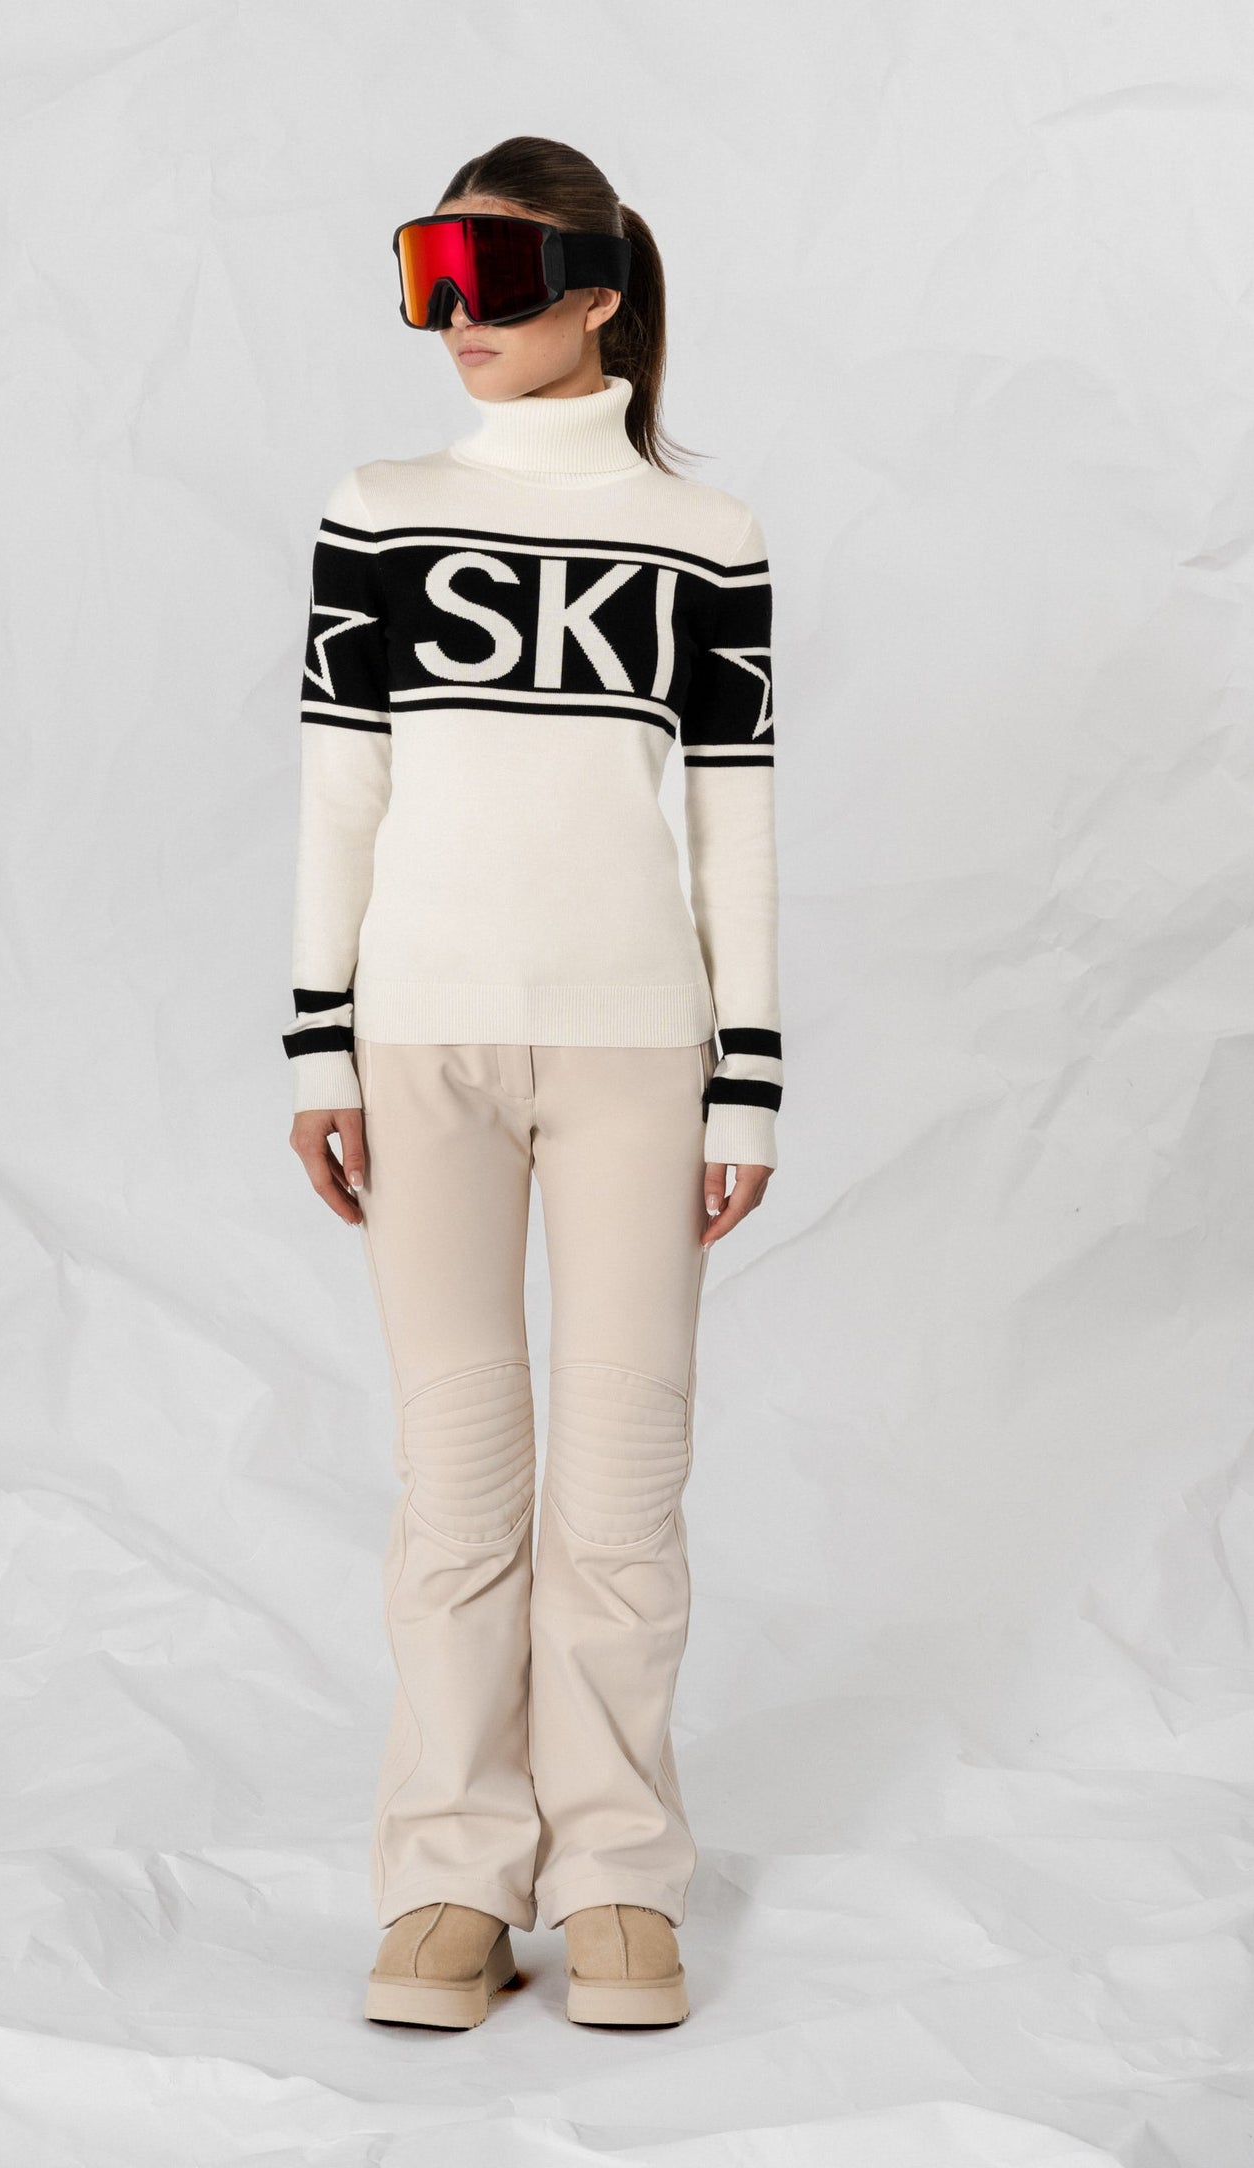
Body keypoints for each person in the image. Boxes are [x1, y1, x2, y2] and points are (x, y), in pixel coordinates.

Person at [283, 136, 782, 2031]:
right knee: (463, 1477)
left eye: (485, 278)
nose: (450, 318)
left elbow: (732, 823)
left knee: (625, 1478)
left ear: (596, 295)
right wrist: (318, 1040)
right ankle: (448, 1878)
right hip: (418, 1045)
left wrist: (747, 1083)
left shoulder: (707, 536)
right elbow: (341, 789)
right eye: (426, 272)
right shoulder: (382, 509)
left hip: (637, 1048)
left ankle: (621, 1878)